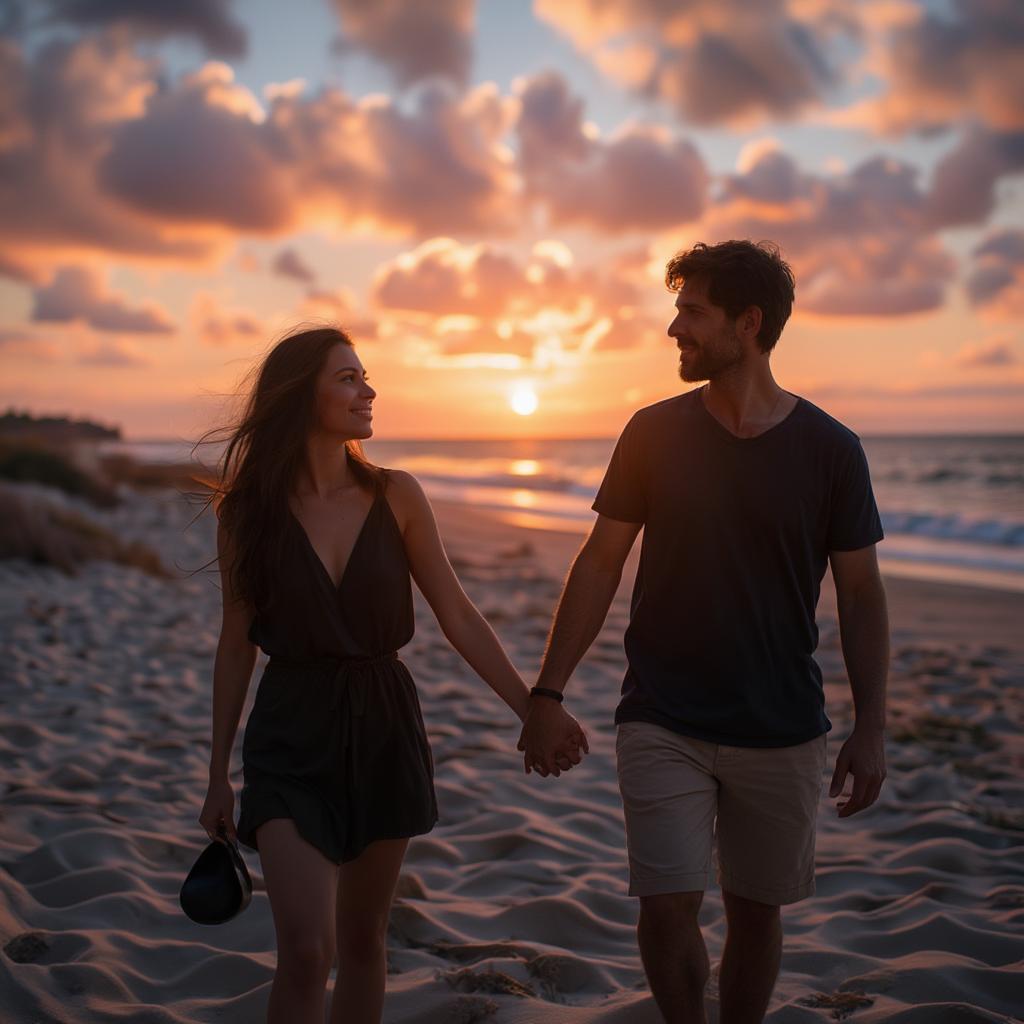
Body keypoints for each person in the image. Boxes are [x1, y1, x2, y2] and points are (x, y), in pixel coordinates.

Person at [517, 240, 890, 1023]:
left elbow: (860, 597)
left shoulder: (832, 451)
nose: (673, 328)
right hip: (662, 716)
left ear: (747, 324)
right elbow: (599, 564)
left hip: (782, 725)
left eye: (692, 311)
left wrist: (873, 728)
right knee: (666, 905)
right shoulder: (652, 433)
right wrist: (546, 692)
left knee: (757, 913)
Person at [197, 326, 587, 1024]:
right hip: (290, 734)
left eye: (365, 375)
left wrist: (531, 708)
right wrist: (218, 772)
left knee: (363, 940)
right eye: (348, 377)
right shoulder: (247, 514)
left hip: (383, 728)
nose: (368, 390)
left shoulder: (397, 494)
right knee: (308, 952)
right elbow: (236, 644)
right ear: (300, 395)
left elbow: (459, 616)